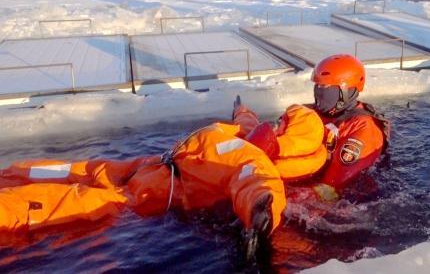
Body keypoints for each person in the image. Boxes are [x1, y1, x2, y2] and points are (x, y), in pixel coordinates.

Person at [0, 105, 326, 261]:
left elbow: (256, 183)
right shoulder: (247, 133)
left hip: (143, 194)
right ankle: (10, 175)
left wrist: (260, 210)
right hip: (143, 167)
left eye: (281, 123)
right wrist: (241, 108)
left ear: (287, 137)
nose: (273, 124)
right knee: (58, 170)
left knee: (56, 201)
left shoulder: (253, 159)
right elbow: (247, 120)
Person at [235, 54, 390, 201]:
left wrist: (281, 200)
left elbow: (332, 188)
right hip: (287, 179)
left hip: (342, 197)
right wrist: (242, 114)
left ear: (348, 90)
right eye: (318, 85)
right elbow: (272, 139)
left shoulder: (363, 128)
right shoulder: (307, 113)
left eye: (327, 87)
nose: (320, 92)